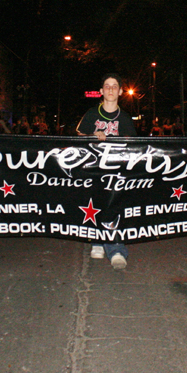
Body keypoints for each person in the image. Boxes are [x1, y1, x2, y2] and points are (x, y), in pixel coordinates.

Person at [76, 73, 137, 270]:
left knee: (114, 206)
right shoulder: (92, 114)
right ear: (101, 91)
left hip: (116, 171)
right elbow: (78, 136)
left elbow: (133, 145)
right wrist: (92, 135)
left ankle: (116, 249)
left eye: (115, 86)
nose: (111, 89)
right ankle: (97, 240)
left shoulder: (125, 118)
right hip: (93, 170)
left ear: (120, 91)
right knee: (95, 205)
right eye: (107, 86)